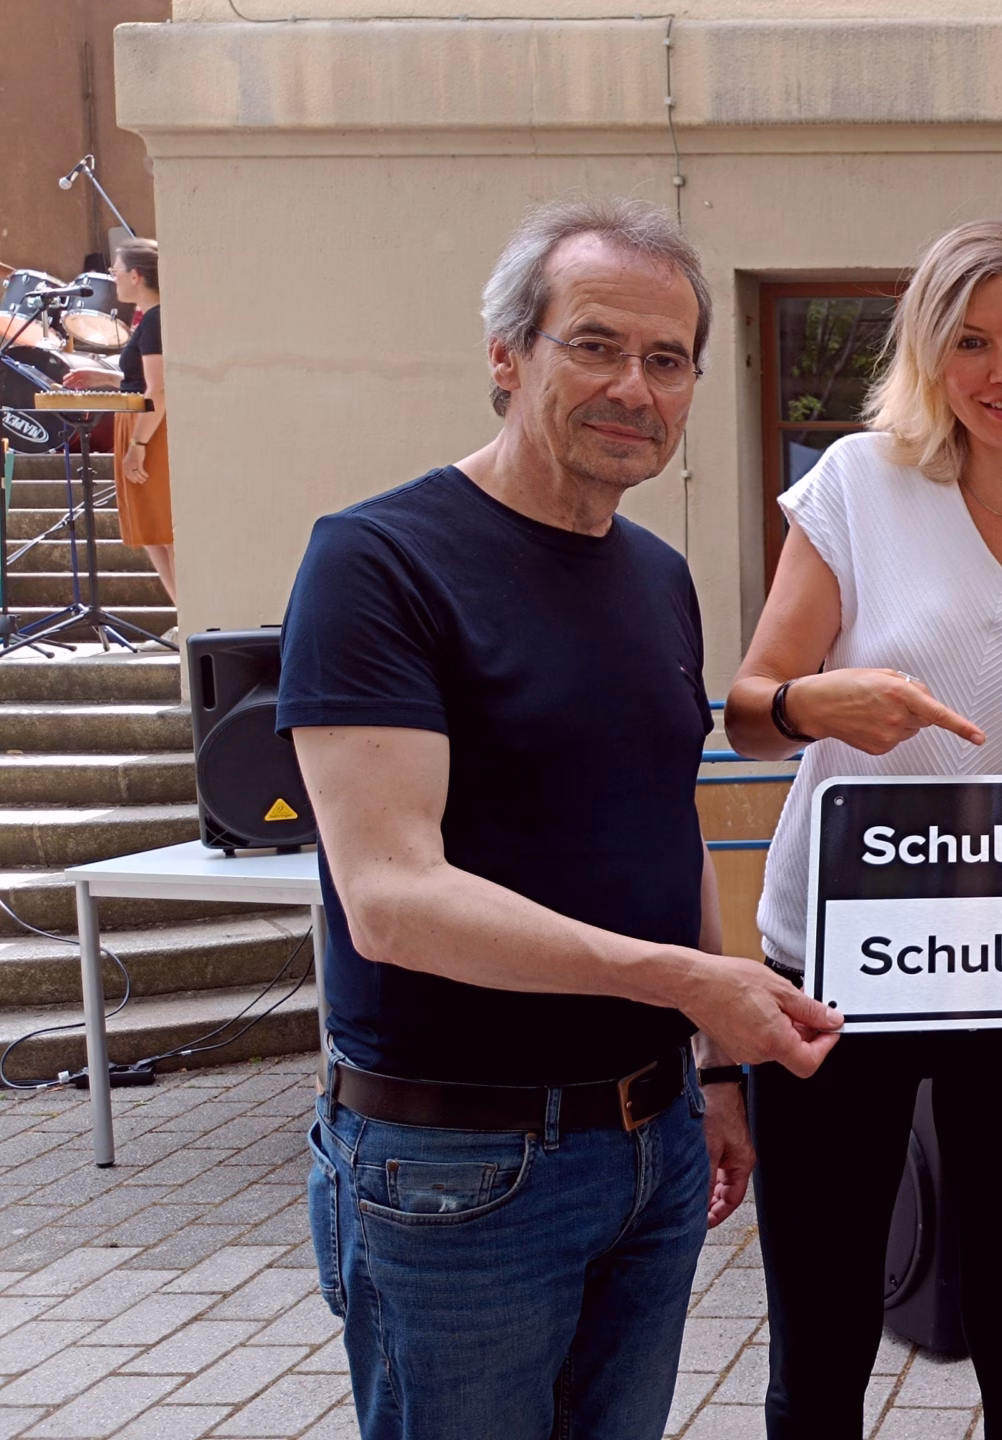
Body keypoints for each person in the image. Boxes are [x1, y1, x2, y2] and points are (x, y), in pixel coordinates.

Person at [278, 195, 839, 1440]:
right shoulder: (377, 562)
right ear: (506, 354)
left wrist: (712, 1069)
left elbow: (664, 821)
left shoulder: (657, 577)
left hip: (651, 1147)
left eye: (667, 358)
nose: (634, 386)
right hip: (457, 1169)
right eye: (594, 344)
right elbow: (393, 899)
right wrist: (693, 983)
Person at [726, 216, 1002, 1439]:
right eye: (971, 340)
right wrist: (816, 702)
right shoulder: (858, 486)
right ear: (930, 355)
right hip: (838, 956)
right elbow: (749, 710)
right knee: (818, 1337)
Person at [111, 239, 175, 608]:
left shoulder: (155, 319)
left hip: (149, 429)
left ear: (135, 275)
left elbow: (159, 388)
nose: (114, 278)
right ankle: (185, 614)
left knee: (163, 530)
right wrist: (104, 380)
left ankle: (190, 618)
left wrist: (138, 445)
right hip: (142, 423)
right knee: (153, 531)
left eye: (115, 271)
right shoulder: (151, 318)